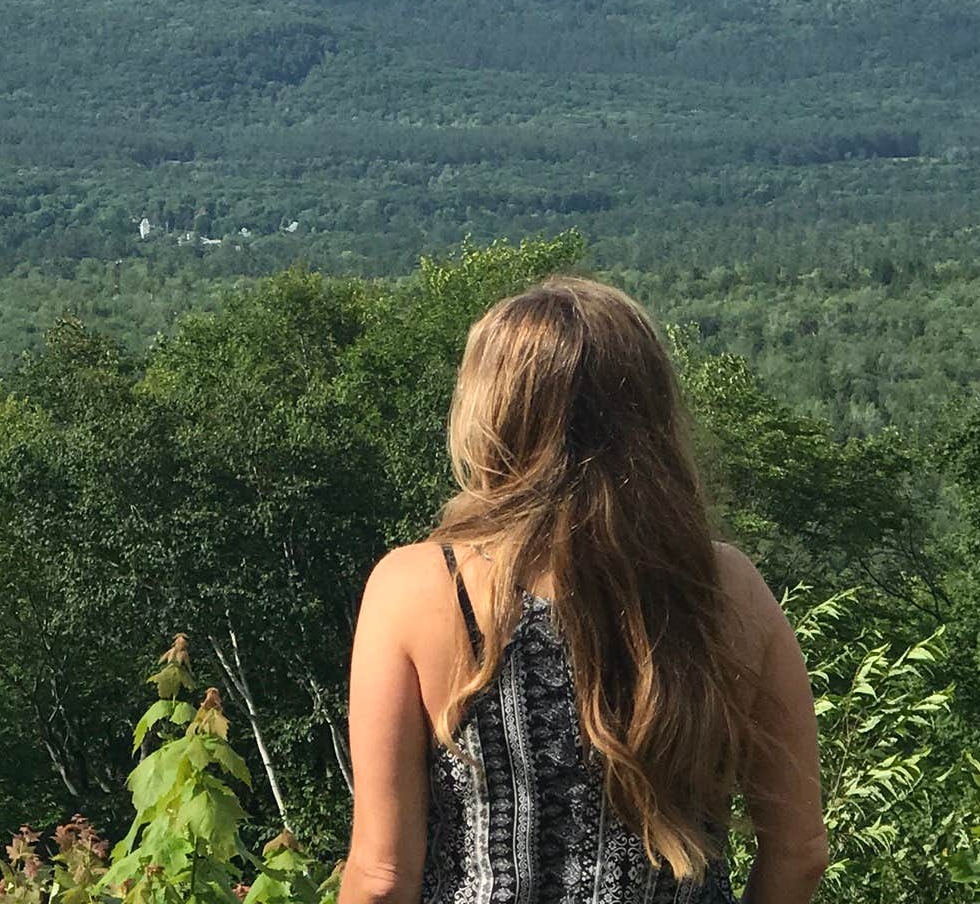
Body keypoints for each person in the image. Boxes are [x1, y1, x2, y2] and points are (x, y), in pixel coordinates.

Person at [339, 278, 827, 904]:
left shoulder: (416, 588)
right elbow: (800, 851)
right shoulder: (726, 589)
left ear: (491, 412)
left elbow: (381, 878)